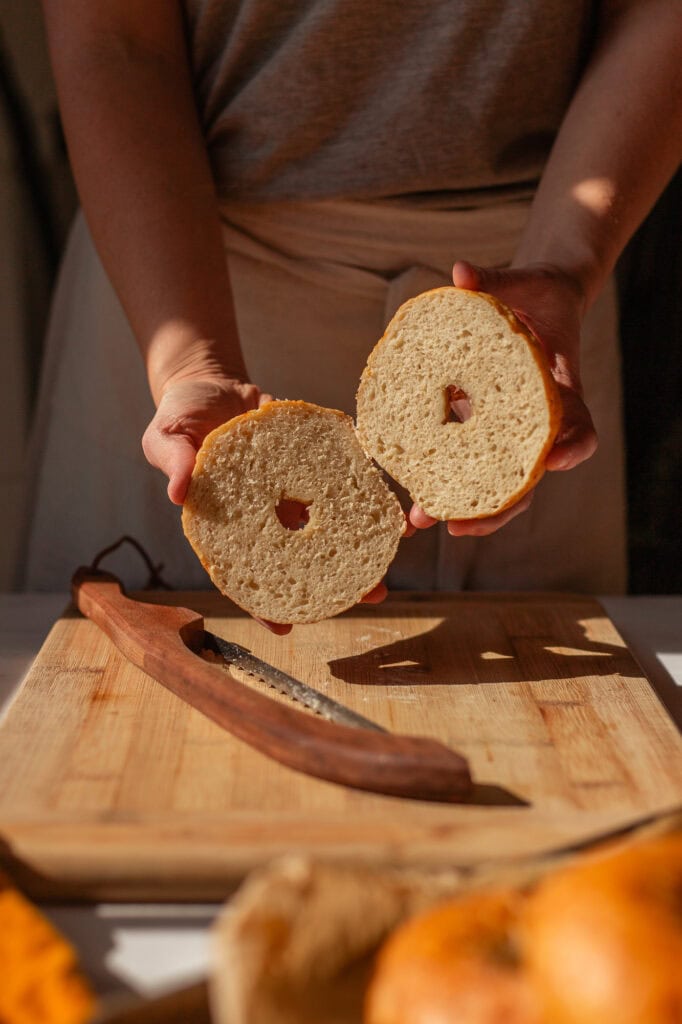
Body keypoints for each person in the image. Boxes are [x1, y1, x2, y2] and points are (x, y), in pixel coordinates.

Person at [20, 1, 682, 630]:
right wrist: (192, 363)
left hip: (541, 292)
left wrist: (564, 266)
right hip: (178, 275)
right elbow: (116, 42)